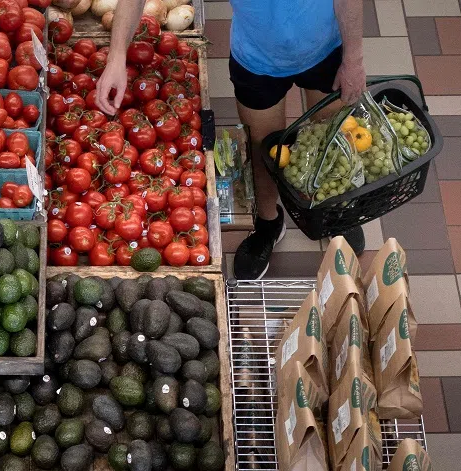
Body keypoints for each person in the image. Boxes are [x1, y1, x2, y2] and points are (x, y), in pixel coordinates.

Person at [97, 0, 367, 279]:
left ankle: (334, 213)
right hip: (257, 60)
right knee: (263, 152)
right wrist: (116, 58)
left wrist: (354, 59)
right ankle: (268, 223)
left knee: (329, 140)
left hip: (325, 50)